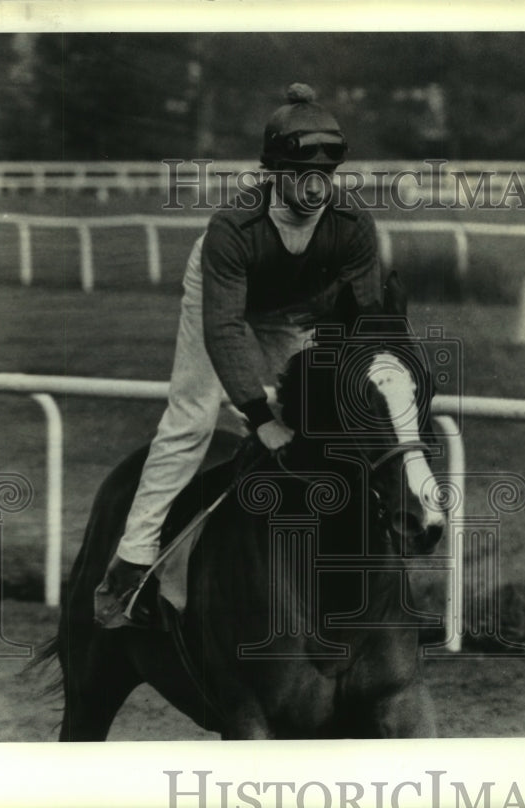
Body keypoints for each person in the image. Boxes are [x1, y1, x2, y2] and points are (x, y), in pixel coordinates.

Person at [95, 82, 394, 627]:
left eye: (327, 175)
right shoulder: (231, 230)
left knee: (316, 423)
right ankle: (132, 562)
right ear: (274, 172)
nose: (316, 187)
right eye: (304, 173)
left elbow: (366, 319)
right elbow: (226, 329)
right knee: (193, 419)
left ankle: (315, 563)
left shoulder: (353, 227)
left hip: (292, 309)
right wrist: (257, 418)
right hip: (221, 301)